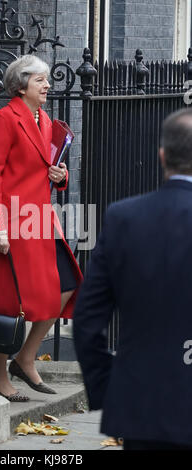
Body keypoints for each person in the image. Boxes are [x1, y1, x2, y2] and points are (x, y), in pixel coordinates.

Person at [73, 108, 192, 450]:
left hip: (143, 404)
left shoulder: (124, 217)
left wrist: (108, 388)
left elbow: (86, 320)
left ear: (162, 156)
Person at [0, 55, 82, 402]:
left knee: (68, 285)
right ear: (21, 84)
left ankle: (25, 358)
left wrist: (61, 177)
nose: (47, 86)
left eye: (46, 80)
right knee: (12, 299)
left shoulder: (44, 119)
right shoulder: (7, 118)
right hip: (15, 221)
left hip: (42, 219)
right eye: (40, 80)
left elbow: (48, 165)